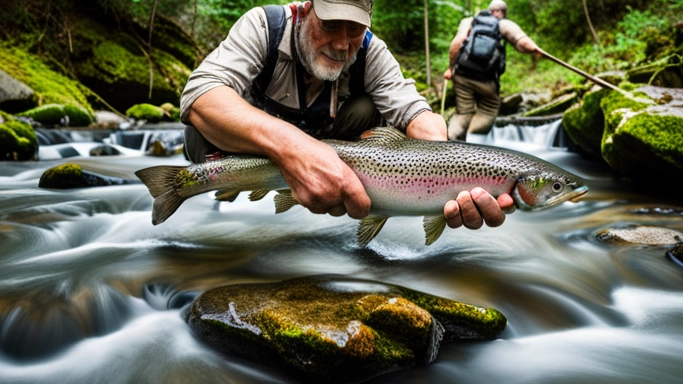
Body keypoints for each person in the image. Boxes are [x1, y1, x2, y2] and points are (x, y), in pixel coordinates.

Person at [180, 0, 514, 232]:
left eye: (353, 28)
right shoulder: (265, 26)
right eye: (330, 25)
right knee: (202, 124)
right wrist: (295, 150)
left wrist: (447, 168)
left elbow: (415, 112)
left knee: (372, 108)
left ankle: (346, 182)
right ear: (305, 10)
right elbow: (199, 96)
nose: (342, 43)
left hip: (333, 150)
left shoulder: (370, 49)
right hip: (240, 152)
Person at [444, 0, 540, 141]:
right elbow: (522, 43)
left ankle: (448, 142)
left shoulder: (469, 21)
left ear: (490, 10)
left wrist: (450, 68)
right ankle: (475, 142)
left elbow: (457, 43)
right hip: (487, 80)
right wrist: (536, 50)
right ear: (502, 12)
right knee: (489, 108)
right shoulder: (504, 24)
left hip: (462, 75)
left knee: (463, 112)